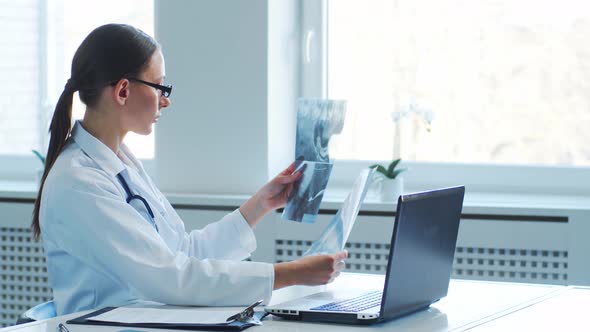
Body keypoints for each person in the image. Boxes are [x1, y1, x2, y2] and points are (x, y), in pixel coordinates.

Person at [31, 23, 347, 316]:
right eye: (158, 87)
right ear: (123, 91)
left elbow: (185, 252)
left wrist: (260, 205)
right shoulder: (78, 182)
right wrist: (292, 274)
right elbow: (172, 277)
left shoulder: (121, 163)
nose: (165, 101)